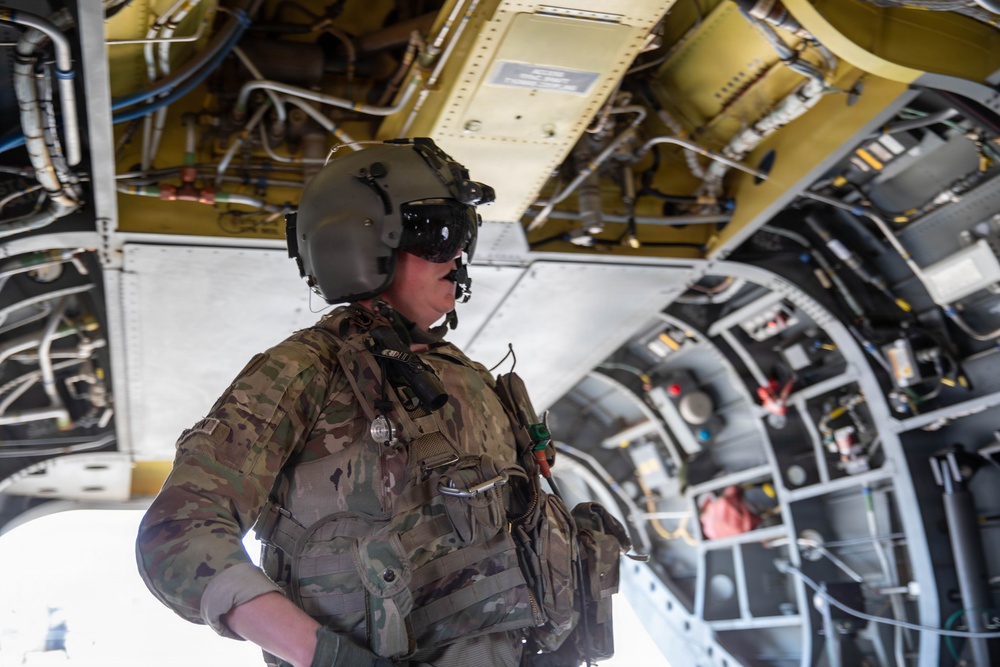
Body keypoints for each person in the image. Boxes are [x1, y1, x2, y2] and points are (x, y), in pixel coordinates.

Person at [135, 138, 603, 667]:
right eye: (438, 234)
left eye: (463, 234)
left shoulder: (468, 378)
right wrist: (329, 658)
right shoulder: (311, 367)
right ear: (358, 246)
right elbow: (176, 534)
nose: (457, 256)